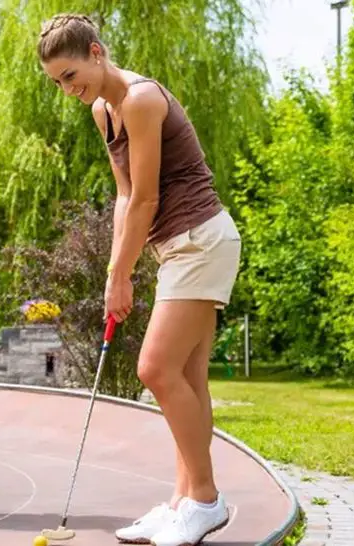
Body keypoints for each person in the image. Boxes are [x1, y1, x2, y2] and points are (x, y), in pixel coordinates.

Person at [37, 14, 241, 546]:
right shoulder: (104, 111)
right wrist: (115, 270)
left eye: (70, 73)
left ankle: (206, 500)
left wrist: (122, 276)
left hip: (201, 240)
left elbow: (149, 197)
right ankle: (182, 504)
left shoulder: (141, 99)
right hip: (177, 248)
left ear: (97, 51)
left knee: (154, 369)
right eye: (57, 81)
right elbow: (126, 197)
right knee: (189, 379)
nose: (67, 88)